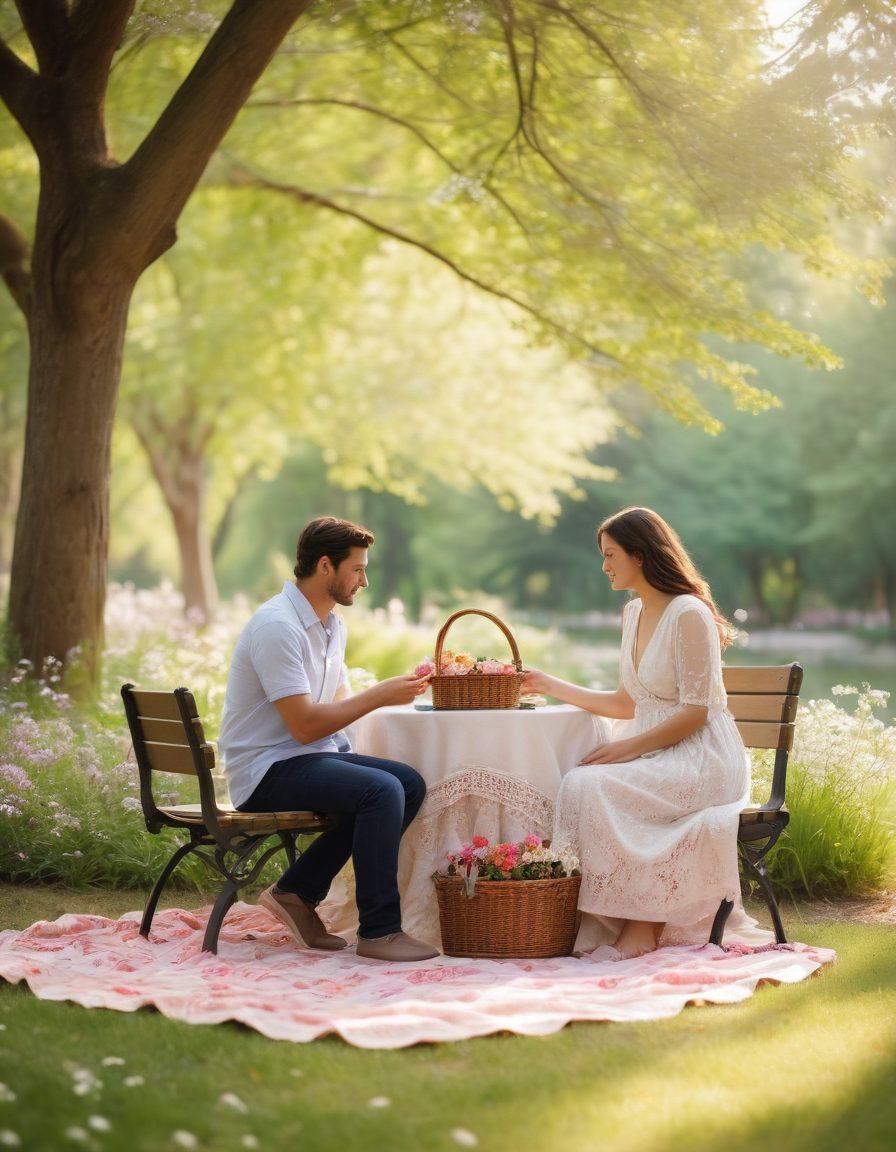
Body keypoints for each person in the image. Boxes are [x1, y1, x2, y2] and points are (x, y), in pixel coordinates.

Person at [521, 506, 766, 960]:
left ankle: (643, 925)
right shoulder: (634, 613)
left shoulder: (688, 613)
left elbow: (695, 712)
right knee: (581, 783)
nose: (604, 565)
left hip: (702, 756)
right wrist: (549, 684)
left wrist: (626, 748)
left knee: (591, 785)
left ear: (640, 554)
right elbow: (626, 702)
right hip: (657, 751)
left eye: (611, 554)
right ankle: (607, 921)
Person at [219, 516, 438, 962]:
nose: (364, 580)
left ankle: (296, 891)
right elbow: (304, 726)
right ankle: (380, 931)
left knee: (407, 784)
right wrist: (379, 696)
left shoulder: (330, 626)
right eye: (357, 569)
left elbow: (335, 707)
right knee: (380, 790)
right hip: (265, 770)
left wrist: (390, 708)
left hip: (303, 758)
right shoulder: (277, 627)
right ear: (325, 566)